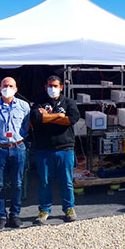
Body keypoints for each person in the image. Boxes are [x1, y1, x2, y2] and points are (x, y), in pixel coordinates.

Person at [30, 75, 80, 224]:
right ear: (45, 87)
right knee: (44, 181)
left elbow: (71, 120)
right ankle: (44, 210)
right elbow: (37, 119)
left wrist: (48, 116)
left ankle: (69, 208)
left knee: (67, 181)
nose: (52, 88)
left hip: (65, 148)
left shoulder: (69, 102)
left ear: (61, 87)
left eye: (55, 86)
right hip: (44, 149)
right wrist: (58, 115)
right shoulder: (39, 102)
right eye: (50, 85)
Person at [0, 77, 30, 231]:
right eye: (5, 85)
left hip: (18, 147)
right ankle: (1, 216)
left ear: (16, 89)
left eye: (11, 86)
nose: (7, 88)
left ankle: (15, 214)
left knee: (17, 183)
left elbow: (26, 126)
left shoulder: (24, 106)